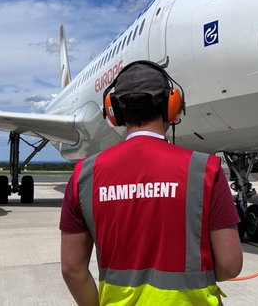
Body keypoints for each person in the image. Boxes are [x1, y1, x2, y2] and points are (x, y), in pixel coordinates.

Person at [59, 60, 243, 306]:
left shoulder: (84, 175)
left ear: (114, 111)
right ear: (172, 106)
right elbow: (230, 266)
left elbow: (72, 270)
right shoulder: (205, 170)